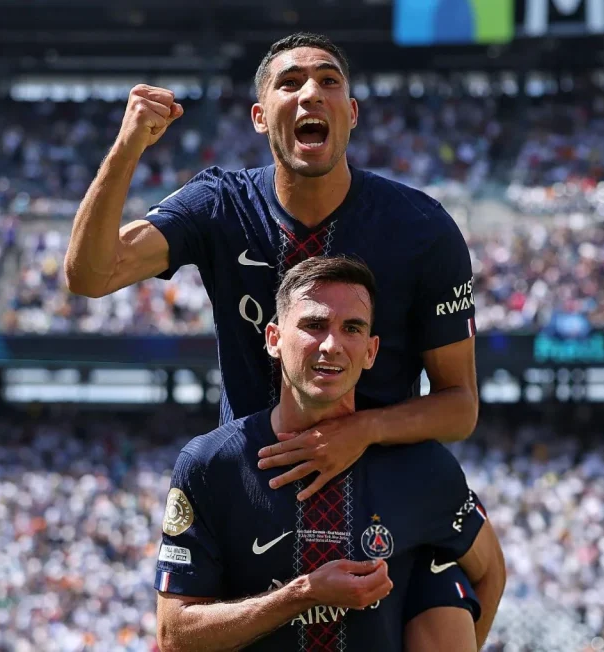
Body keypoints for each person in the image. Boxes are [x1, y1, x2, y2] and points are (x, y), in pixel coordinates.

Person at [65, 31, 497, 645]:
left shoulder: (422, 228)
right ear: (260, 117)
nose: (310, 93)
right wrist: (128, 146)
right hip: (255, 486)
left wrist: (361, 431)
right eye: (289, 82)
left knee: (446, 617)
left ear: (352, 112)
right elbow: (90, 276)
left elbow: (459, 405)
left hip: (383, 488)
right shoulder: (220, 205)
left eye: (328, 81)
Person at [154, 256, 504, 652]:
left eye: (351, 328)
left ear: (371, 351)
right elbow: (174, 635)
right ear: (274, 339)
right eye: (314, 325)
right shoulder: (210, 465)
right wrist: (303, 594)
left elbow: (490, 572)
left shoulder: (424, 469)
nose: (332, 345)